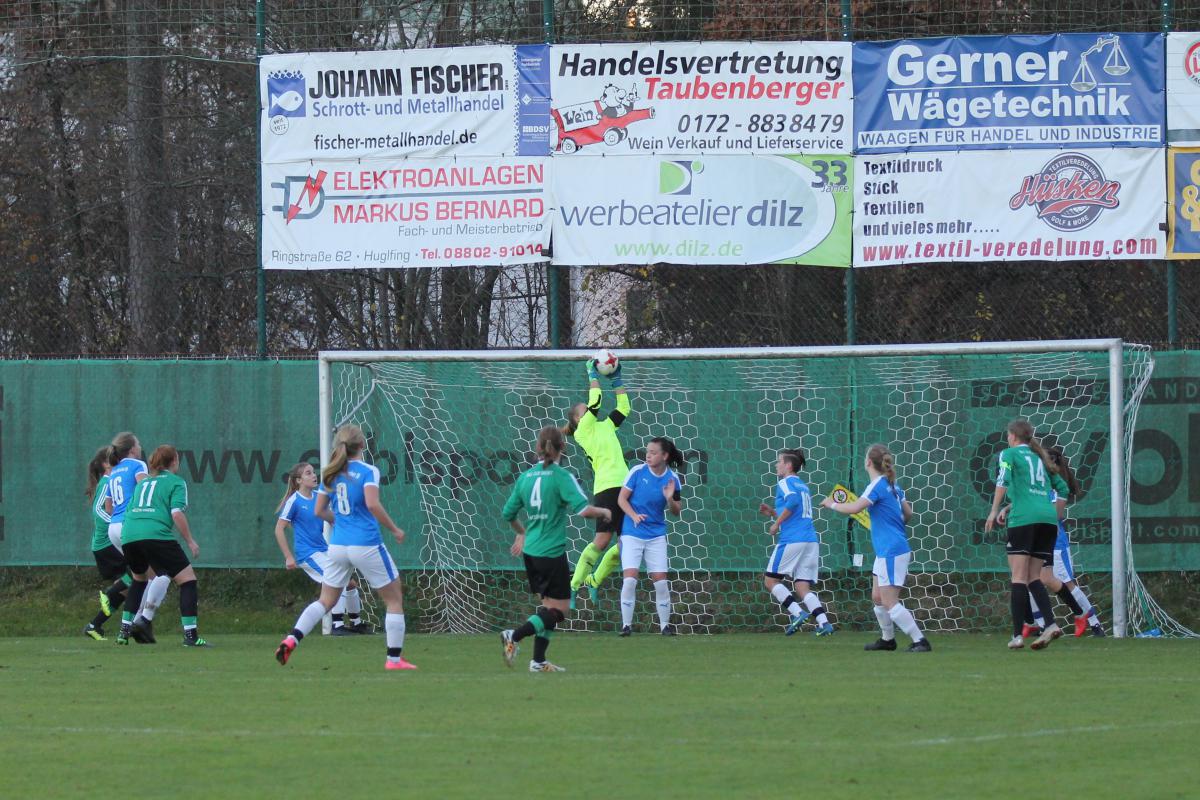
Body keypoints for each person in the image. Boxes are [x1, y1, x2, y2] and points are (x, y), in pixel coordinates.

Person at [275, 425, 414, 671]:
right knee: (394, 599)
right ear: (362, 445)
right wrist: (394, 529)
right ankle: (394, 660)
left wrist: (340, 521)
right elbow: (372, 504)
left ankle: (292, 638)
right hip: (366, 543)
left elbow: (319, 510)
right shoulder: (368, 470)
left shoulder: (330, 473)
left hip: (338, 546)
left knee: (325, 601)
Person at [500, 426, 612, 672]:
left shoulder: (525, 477)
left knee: (549, 608)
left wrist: (522, 533)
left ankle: (538, 662)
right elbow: (584, 511)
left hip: (531, 553)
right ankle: (514, 635)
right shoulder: (561, 476)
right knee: (560, 611)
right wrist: (604, 511)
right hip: (551, 553)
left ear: (537, 448)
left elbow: (508, 513)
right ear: (563, 447)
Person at [822, 444, 931, 653]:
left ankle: (920, 641)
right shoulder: (893, 485)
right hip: (887, 549)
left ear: (868, 462)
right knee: (878, 597)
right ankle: (887, 640)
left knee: (890, 601)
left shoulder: (877, 485)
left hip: (892, 550)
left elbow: (855, 508)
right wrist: (893, 524)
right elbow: (908, 514)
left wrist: (830, 504)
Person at [1012, 446, 1105, 639]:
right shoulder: (1041, 483)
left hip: (1054, 541)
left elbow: (1054, 515)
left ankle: (1094, 623)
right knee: (1030, 579)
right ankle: (1038, 624)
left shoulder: (1055, 487)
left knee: (1065, 582)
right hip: (1038, 537)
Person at [985, 419, 1062, 650]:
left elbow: (1003, 480)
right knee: (1033, 577)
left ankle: (1018, 635)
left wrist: (994, 510)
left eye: (1008, 435)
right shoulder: (1041, 457)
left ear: (1012, 436)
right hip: (1047, 520)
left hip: (1024, 520)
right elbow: (1063, 488)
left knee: (1018, 577)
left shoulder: (1008, 454)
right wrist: (1052, 513)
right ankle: (1050, 624)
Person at [119, 445, 207, 647]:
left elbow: (130, 510)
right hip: (155, 534)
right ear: (174, 461)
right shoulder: (176, 482)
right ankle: (191, 636)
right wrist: (190, 541)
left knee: (139, 580)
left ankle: (123, 632)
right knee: (187, 580)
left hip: (129, 534)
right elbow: (176, 513)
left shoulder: (143, 483)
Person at [562, 356, 631, 608]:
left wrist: (617, 381)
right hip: (606, 488)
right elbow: (596, 401)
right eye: (584, 410)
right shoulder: (583, 432)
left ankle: (594, 580)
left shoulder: (606, 426)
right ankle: (574, 585)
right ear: (578, 420)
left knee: (627, 545)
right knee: (601, 541)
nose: (589, 410)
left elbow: (624, 408)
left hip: (626, 486)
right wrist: (592, 375)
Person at [274, 462, 367, 635]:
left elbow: (332, 519)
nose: (313, 475)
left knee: (350, 584)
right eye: (308, 473)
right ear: (299, 480)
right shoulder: (294, 501)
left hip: (323, 549)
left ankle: (356, 623)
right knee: (336, 581)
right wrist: (288, 556)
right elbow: (279, 529)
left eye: (313, 472)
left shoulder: (319, 497)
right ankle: (337, 625)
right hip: (308, 554)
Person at [758, 448, 834, 636]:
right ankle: (824, 623)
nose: (776, 465)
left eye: (779, 461)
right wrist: (773, 513)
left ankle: (798, 613)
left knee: (770, 580)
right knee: (802, 586)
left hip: (793, 539)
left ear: (789, 465)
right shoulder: (802, 485)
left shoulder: (785, 482)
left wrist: (776, 523)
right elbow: (796, 511)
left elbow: (792, 503)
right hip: (810, 540)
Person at [104, 432, 170, 644]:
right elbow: (144, 488)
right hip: (131, 525)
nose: (140, 447)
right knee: (161, 574)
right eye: (138, 444)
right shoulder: (137, 464)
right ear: (132, 448)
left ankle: (128, 628)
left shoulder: (114, 470)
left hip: (114, 527)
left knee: (141, 577)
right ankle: (141, 620)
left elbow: (108, 506)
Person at [616, 436, 684, 636]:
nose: (648, 455)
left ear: (665, 456)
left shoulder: (673, 479)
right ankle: (626, 626)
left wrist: (669, 498)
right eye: (648, 452)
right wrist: (634, 516)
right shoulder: (637, 472)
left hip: (656, 535)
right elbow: (621, 499)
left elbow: (676, 511)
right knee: (630, 580)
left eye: (653, 452)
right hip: (632, 532)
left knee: (661, 581)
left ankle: (665, 626)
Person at [83, 448, 131, 641]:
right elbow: (98, 509)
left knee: (126, 589)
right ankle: (108, 594)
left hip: (107, 544)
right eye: (113, 459)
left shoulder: (114, 481)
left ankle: (94, 626)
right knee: (140, 574)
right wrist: (115, 522)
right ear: (105, 464)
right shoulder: (107, 482)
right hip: (106, 545)